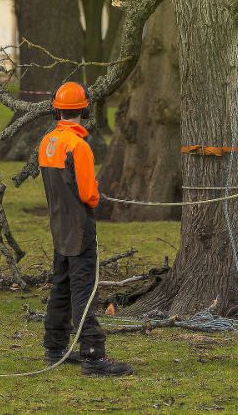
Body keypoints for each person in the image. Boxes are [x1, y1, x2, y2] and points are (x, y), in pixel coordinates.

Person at [38, 81, 134, 376]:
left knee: (61, 288)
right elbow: (89, 195)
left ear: (57, 109)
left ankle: (55, 346)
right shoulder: (78, 146)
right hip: (79, 227)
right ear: (84, 109)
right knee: (83, 292)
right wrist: (96, 192)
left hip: (58, 225)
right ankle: (92, 354)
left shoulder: (47, 142)